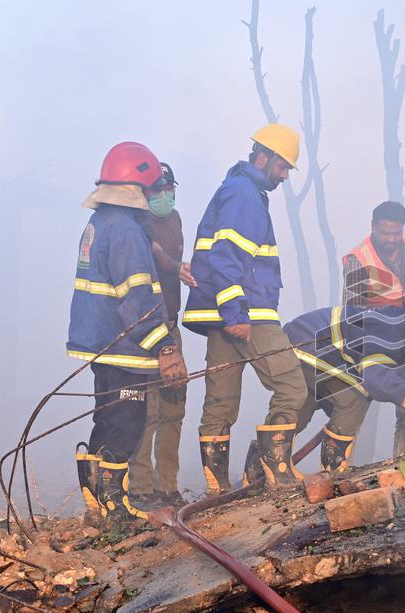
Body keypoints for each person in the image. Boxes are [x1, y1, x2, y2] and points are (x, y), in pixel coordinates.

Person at [182, 124, 308, 492]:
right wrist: (237, 314)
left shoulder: (236, 190)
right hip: (245, 313)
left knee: (221, 399)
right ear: (263, 157)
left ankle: (217, 487)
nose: (285, 176)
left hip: (222, 313)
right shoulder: (244, 194)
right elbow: (228, 255)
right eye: (283, 166)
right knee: (291, 385)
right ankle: (275, 471)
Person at [68, 142, 187, 526]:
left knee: (105, 420)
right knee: (127, 423)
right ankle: (115, 507)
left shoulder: (99, 223)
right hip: (124, 345)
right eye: (152, 186)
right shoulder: (126, 233)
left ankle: (95, 503)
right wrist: (166, 347)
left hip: (100, 342)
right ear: (137, 187)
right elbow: (138, 297)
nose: (156, 193)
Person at [275, 294, 405, 476]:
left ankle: (261, 470)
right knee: (354, 397)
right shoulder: (389, 329)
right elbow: (375, 379)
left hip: (309, 345)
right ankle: (334, 468)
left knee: (303, 407)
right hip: (306, 343)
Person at [128, 163, 197, 508]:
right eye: (158, 190)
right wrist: (175, 266)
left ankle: (166, 487)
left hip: (171, 324)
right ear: (145, 192)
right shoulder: (137, 222)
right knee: (147, 410)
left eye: (170, 188)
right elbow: (154, 254)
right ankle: (140, 490)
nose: (165, 196)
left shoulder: (176, 219)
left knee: (174, 407)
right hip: (145, 330)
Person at [341, 201, 405, 457]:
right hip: (376, 345)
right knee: (355, 406)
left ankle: (404, 462)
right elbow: (352, 313)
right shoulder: (358, 260)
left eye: (396, 233)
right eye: (385, 233)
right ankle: (338, 468)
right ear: (372, 227)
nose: (391, 239)